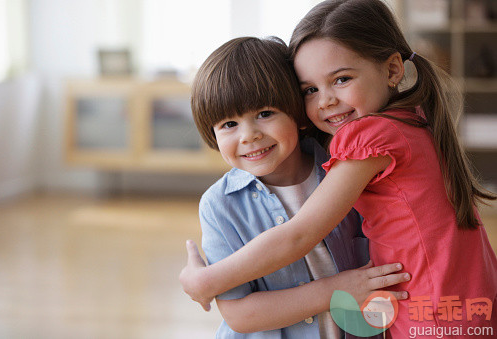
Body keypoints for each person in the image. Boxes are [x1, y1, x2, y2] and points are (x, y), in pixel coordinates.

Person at [180, 0, 497, 337]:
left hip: (434, 311)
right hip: (463, 302)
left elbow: (299, 235)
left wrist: (206, 280)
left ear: (392, 70)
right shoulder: (409, 121)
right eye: (310, 90)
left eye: (342, 79)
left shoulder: (369, 138)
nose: (325, 101)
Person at [186, 36, 410, 338]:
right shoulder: (219, 205)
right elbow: (240, 315)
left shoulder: (348, 171)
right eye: (229, 124)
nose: (249, 136)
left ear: (298, 114)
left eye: (265, 114)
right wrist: (334, 290)